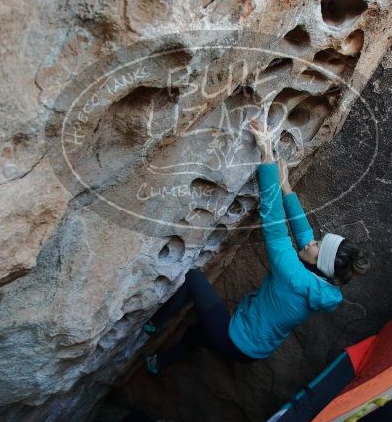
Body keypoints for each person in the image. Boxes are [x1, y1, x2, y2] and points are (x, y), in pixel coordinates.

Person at [143, 118, 369, 374]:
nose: (312, 241)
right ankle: (157, 364)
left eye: (318, 245)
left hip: (235, 339)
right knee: (198, 333)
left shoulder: (292, 274)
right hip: (255, 351)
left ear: (320, 263)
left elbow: (273, 221)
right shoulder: (322, 286)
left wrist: (266, 154)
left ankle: (152, 324)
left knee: (193, 279)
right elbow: (304, 236)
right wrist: (286, 187)